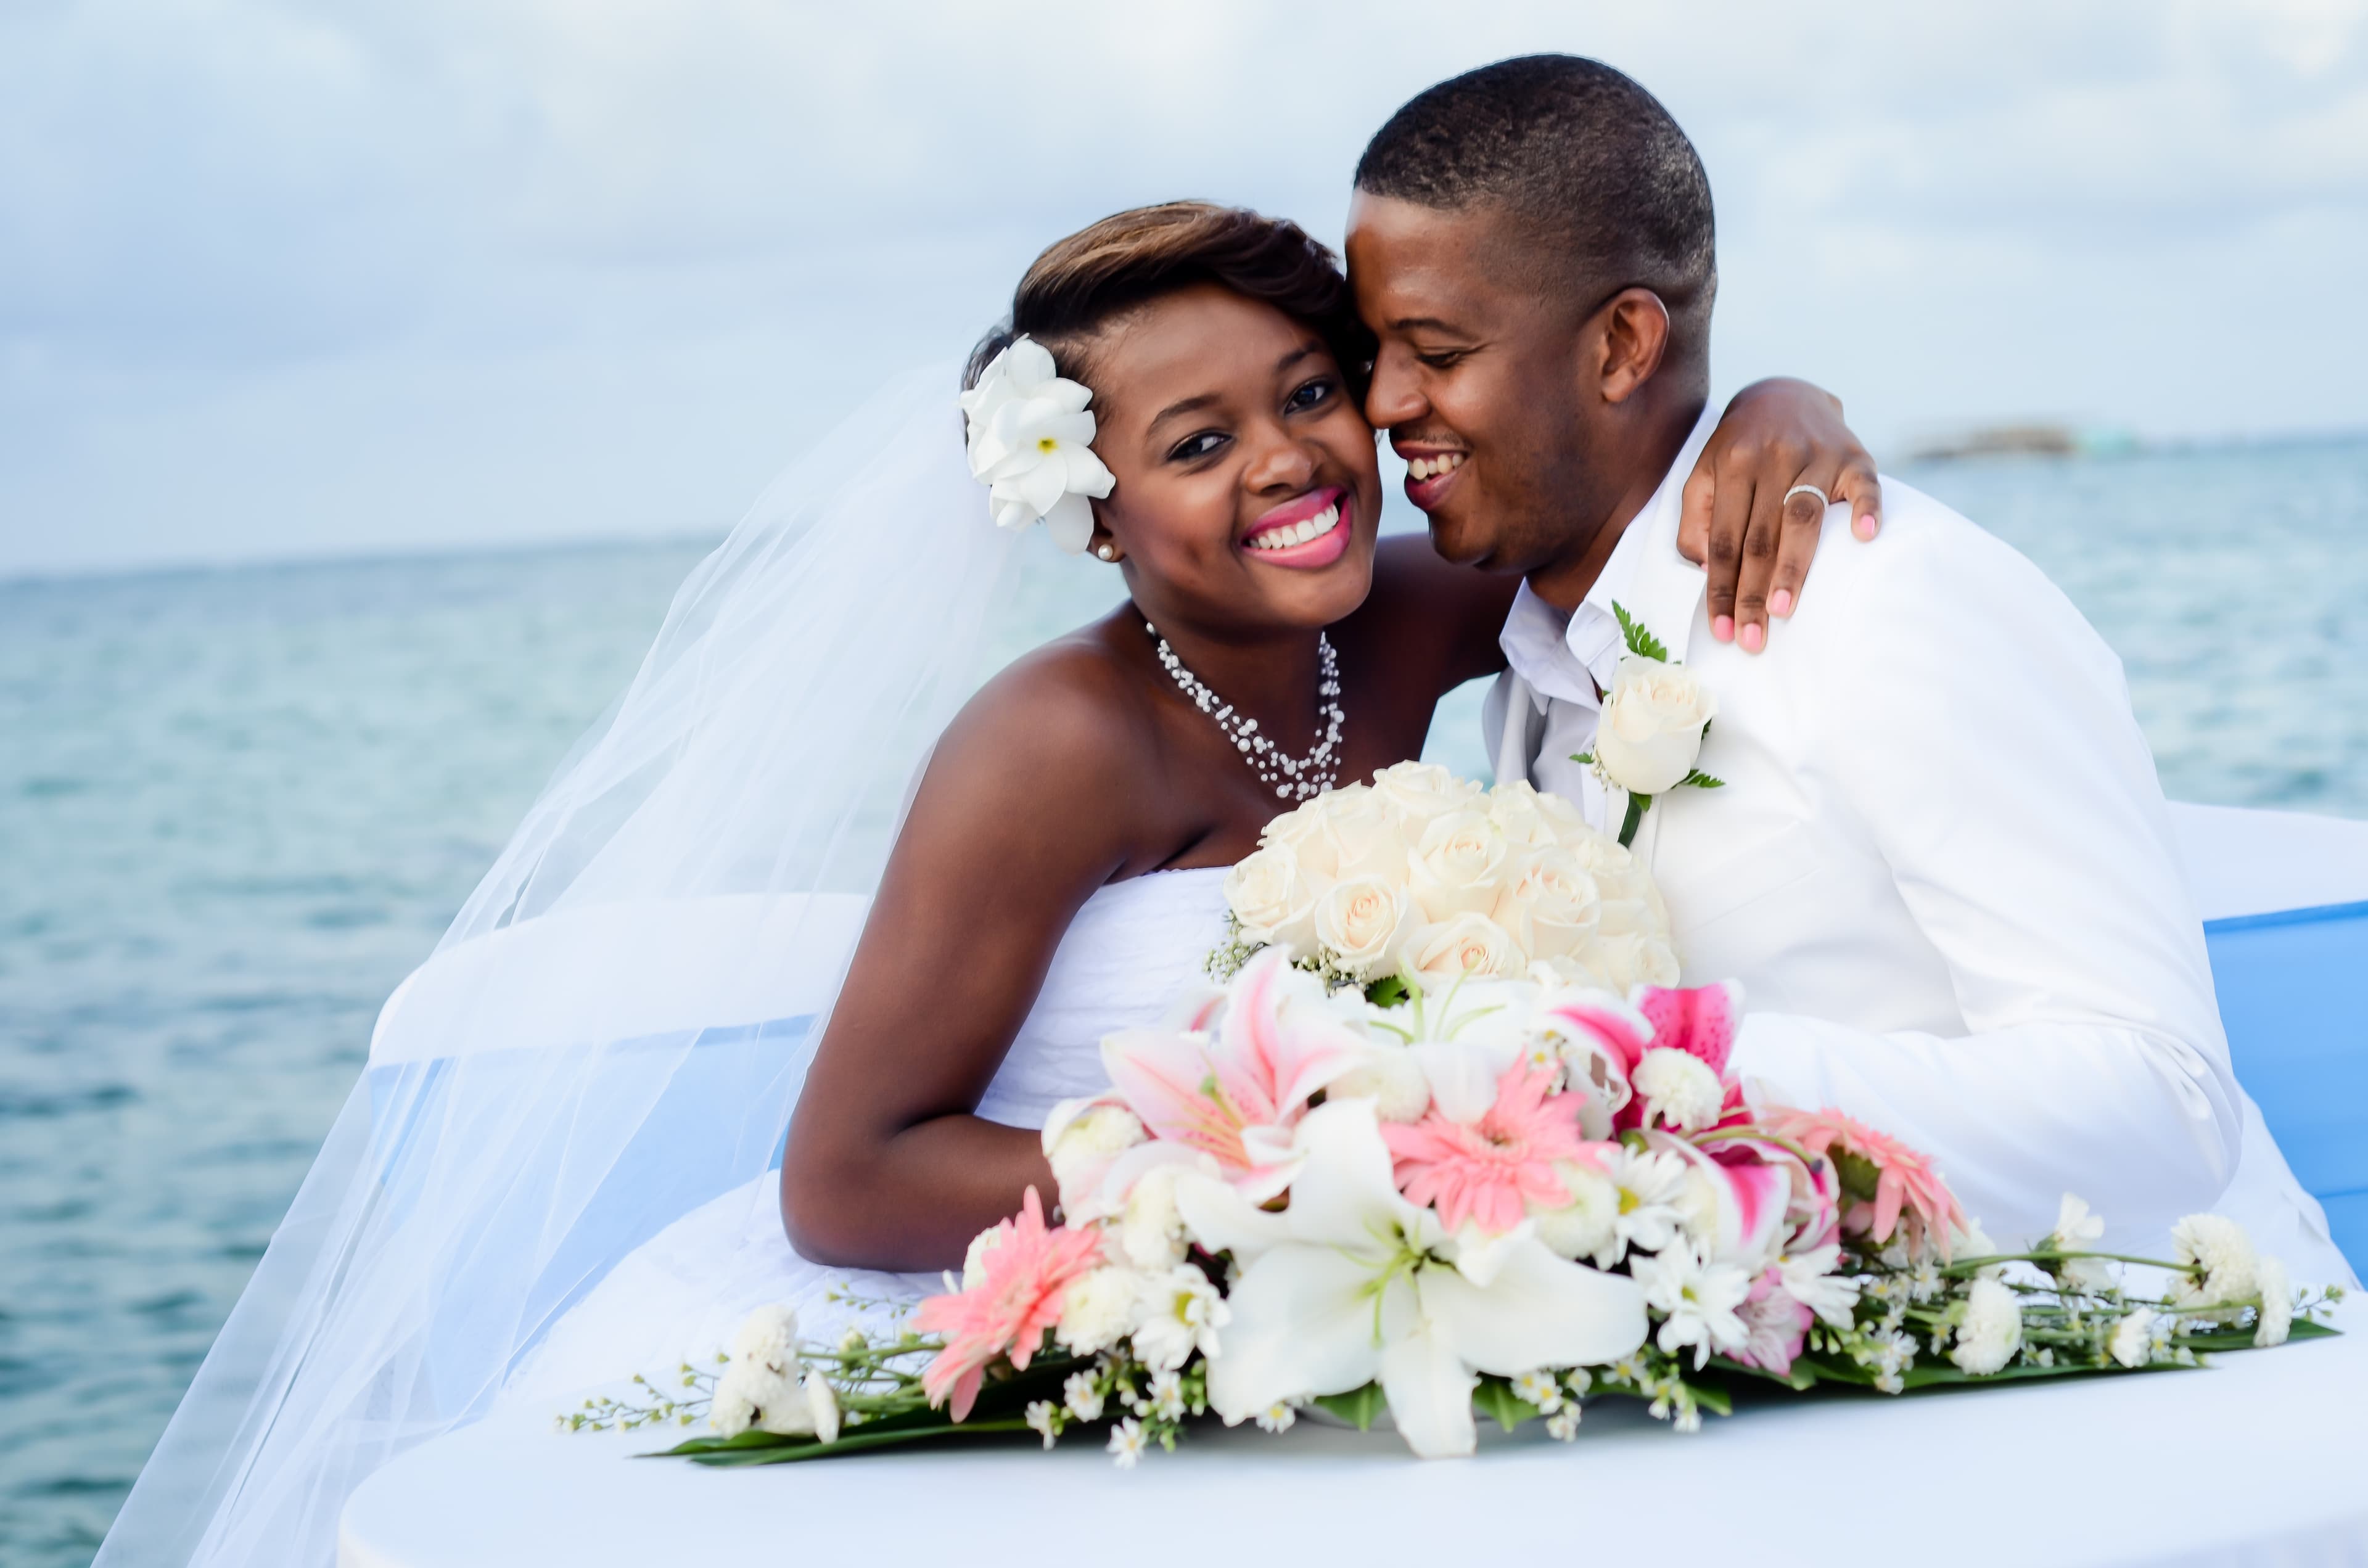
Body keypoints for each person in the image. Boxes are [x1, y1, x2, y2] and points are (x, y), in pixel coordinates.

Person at [96, 200, 1875, 1567]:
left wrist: (1775, 404)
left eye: (1314, 394)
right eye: (1194, 445)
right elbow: (845, 1173)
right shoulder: (1052, 749)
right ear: (1089, 512)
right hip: (1077, 1292)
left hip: (1348, 1288)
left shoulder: (1413, 616)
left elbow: (1610, 520)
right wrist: (1279, 1195)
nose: (1288, 465)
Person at [1342, 54, 2350, 1281]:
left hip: (2142, 1361)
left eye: (1435, 351)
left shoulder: (1892, 602)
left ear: (1618, 346)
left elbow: (2163, 1100)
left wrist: (1646, 1072)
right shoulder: (1535, 652)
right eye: (1374, 349)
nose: (1386, 403)